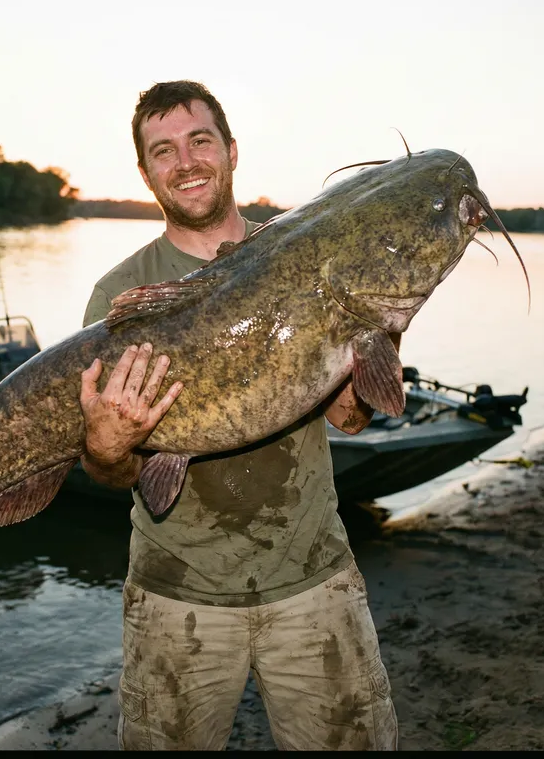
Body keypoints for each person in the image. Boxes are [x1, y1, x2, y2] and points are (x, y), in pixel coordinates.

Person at [80, 80, 400, 751]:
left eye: (200, 140)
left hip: (313, 580)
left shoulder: (304, 254)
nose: (185, 162)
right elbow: (114, 475)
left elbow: (350, 419)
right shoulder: (119, 295)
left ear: (230, 150)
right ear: (145, 172)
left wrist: (378, 328)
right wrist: (107, 448)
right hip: (175, 598)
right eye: (163, 150)